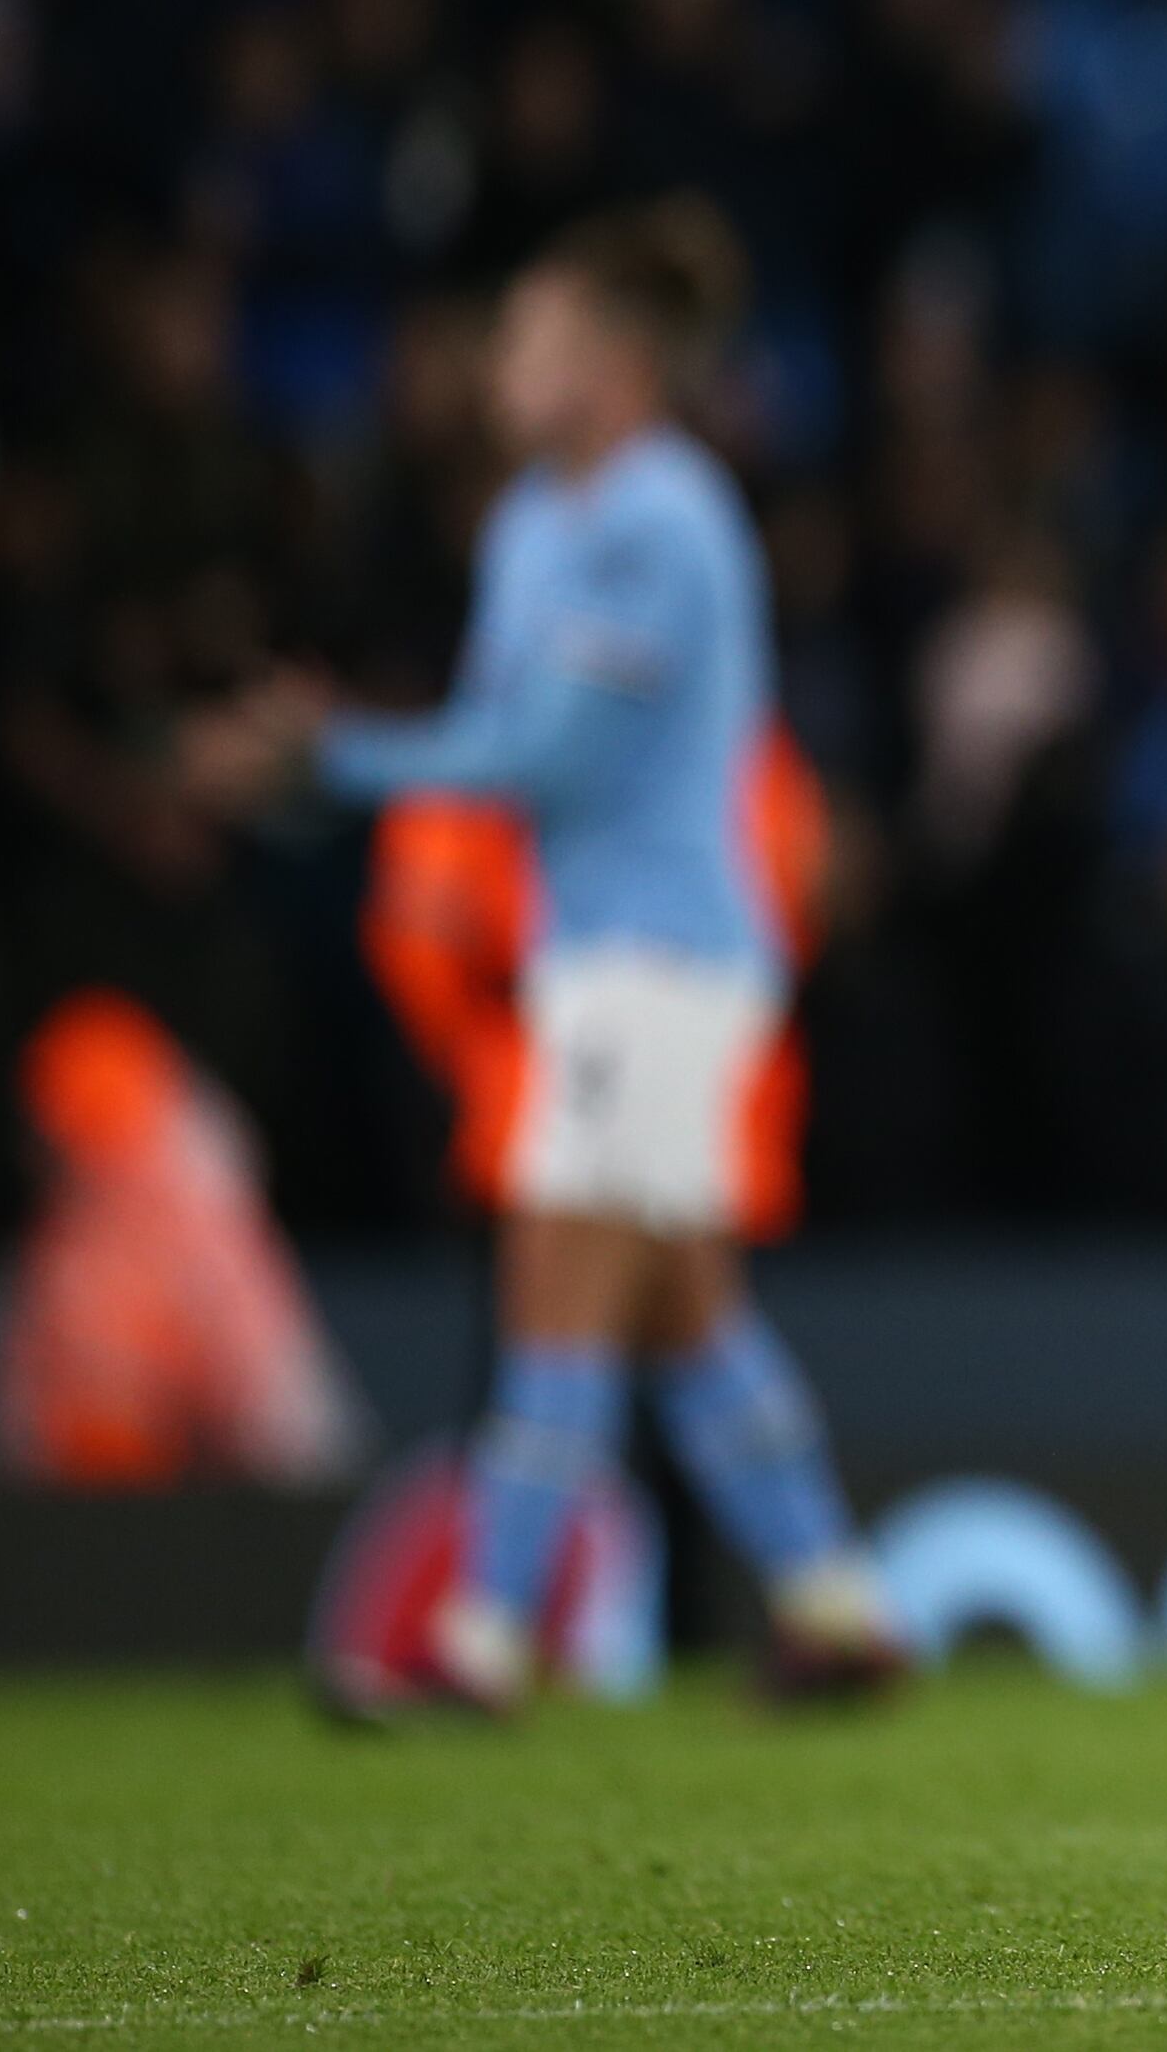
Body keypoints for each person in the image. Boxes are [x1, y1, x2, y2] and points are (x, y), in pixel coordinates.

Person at [185, 201, 903, 1713]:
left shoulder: (664, 514)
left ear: (620, 366)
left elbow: (546, 754)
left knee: (555, 1281)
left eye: (534, 338)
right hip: (594, 950)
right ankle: (836, 1600)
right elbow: (500, 736)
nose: (503, 363)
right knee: (684, 1305)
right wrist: (344, 754)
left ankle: (484, 1639)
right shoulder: (531, 525)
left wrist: (331, 758)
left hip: (667, 950)